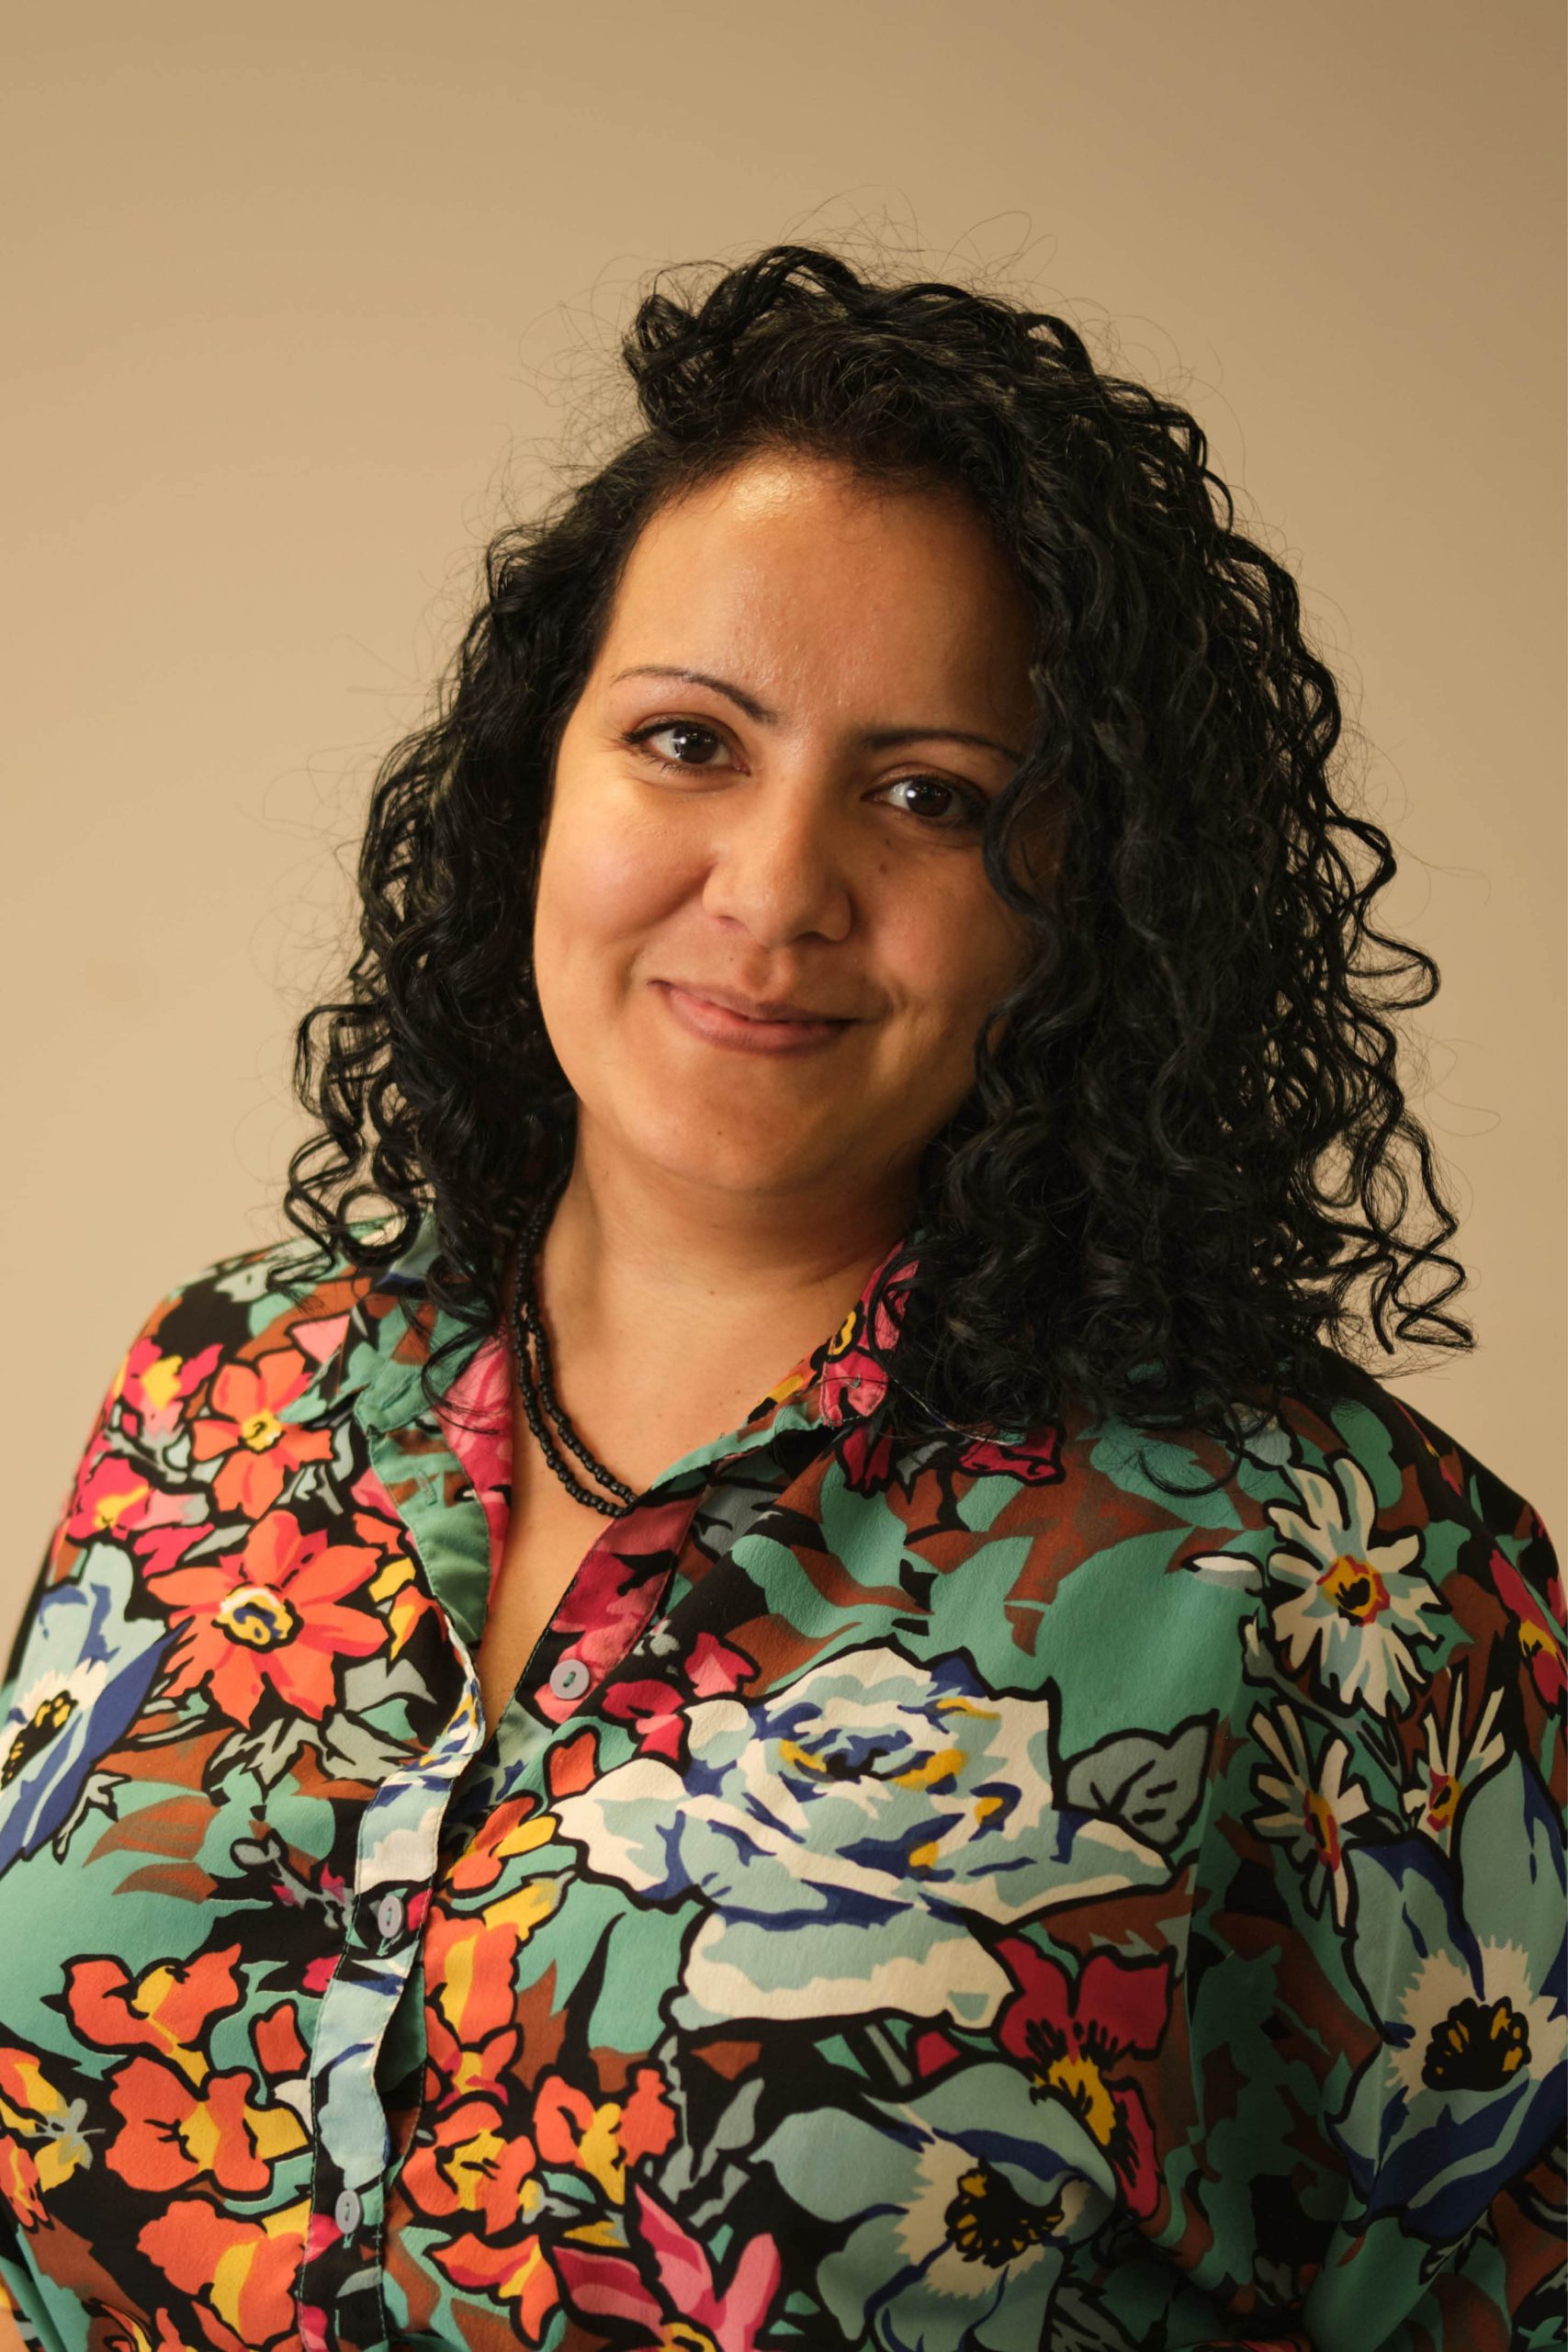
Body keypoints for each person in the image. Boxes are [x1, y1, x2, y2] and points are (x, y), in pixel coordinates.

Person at [0, 242, 1561, 2352]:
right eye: (686, 741)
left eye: (927, 796)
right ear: (533, 778)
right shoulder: (227, 1390)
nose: (771, 889)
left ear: (1080, 908)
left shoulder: (1325, 1573)